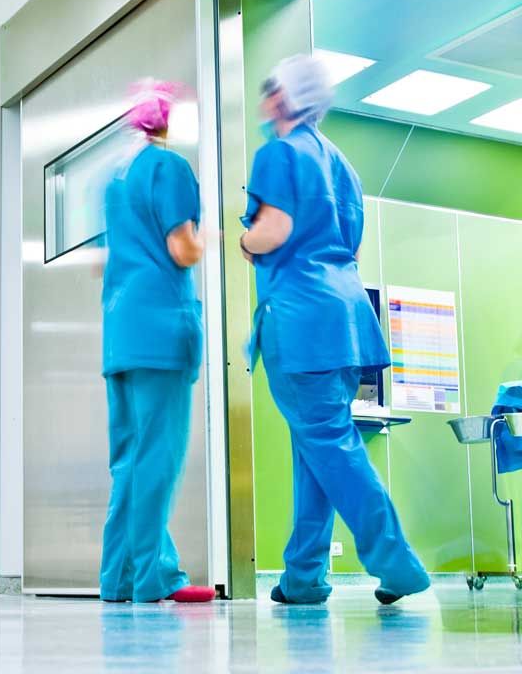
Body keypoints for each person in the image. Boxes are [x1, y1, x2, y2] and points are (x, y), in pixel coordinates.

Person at [239, 55, 430, 606]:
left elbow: (273, 231)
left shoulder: (278, 152)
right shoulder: (341, 163)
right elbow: (348, 243)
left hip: (301, 321)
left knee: (331, 445)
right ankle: (302, 577)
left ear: (283, 99)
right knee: (316, 448)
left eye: (269, 91)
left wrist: (244, 240)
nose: (263, 101)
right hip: (345, 319)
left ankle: (397, 563)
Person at [99, 80, 215, 604]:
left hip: (121, 332)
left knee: (129, 459)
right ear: (168, 120)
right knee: (158, 458)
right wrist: (228, 238)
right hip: (161, 330)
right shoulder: (168, 167)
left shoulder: (115, 180)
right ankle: (152, 578)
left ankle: (119, 578)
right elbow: (182, 248)